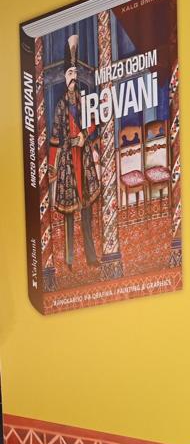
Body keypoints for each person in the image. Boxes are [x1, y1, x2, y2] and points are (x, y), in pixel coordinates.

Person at [48, 34, 102, 269]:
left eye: (75, 73)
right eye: (70, 73)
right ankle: (69, 261)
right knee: (69, 217)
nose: (73, 77)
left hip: (84, 160)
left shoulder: (85, 100)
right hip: (68, 164)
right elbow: (55, 137)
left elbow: (94, 122)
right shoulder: (61, 105)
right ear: (64, 77)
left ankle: (91, 257)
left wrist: (84, 136)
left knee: (86, 213)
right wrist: (53, 165)